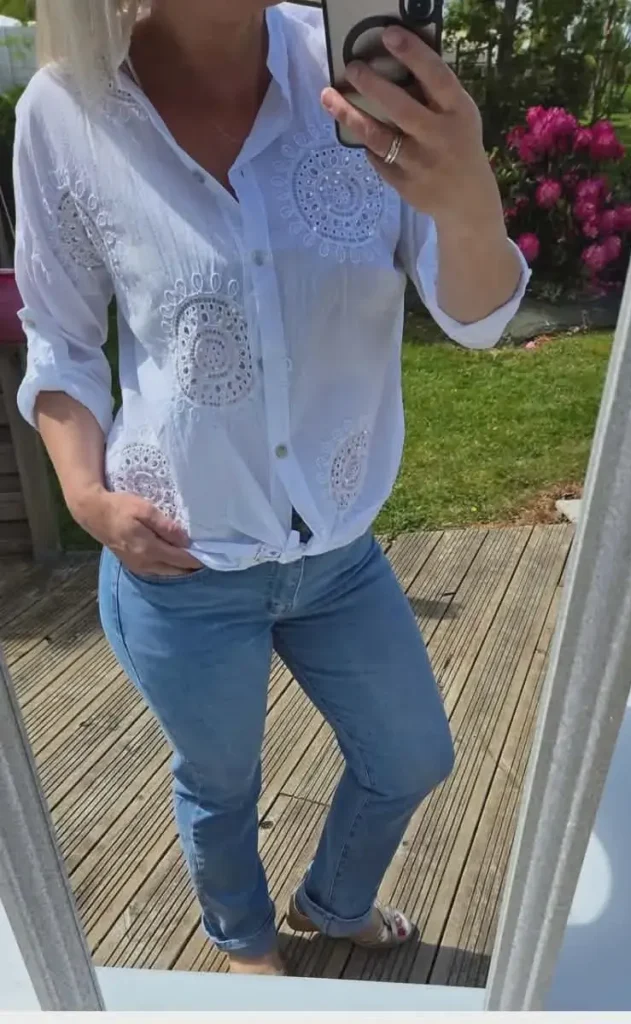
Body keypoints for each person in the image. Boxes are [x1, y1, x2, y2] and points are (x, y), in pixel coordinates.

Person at [15, 0, 528, 976]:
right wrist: (85, 496)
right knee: (219, 782)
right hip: (180, 561)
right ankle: (243, 938)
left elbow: (474, 318)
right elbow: (61, 340)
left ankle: (332, 900)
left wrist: (466, 196)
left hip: (337, 556)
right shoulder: (66, 108)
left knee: (411, 754)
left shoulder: (353, 76)